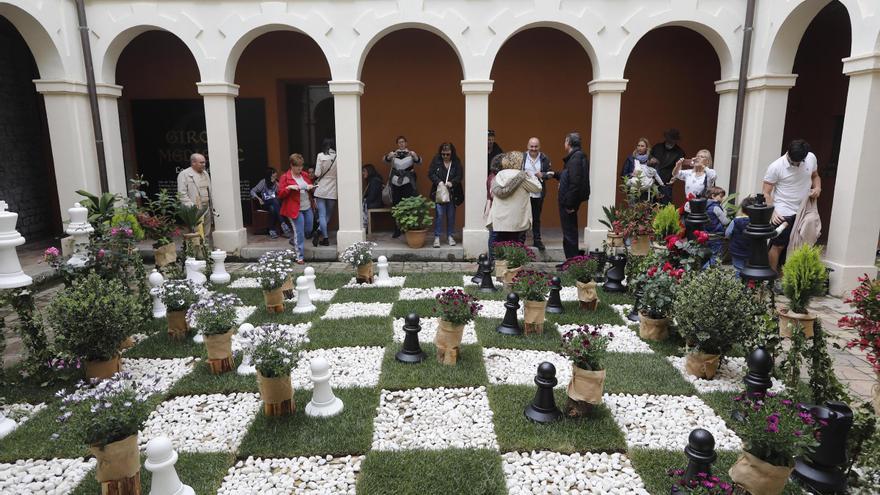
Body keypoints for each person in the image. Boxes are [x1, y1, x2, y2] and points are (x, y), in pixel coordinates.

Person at [762, 139, 821, 274]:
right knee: (778, 245)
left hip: (804, 209)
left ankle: (788, 278)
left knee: (800, 245)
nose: (795, 164)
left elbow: (815, 176)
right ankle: (772, 277)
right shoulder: (776, 166)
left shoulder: (811, 158)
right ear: (788, 152)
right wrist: (772, 212)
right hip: (783, 211)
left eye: (799, 162)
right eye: (793, 161)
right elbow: (766, 192)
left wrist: (817, 188)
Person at [487, 151, 541, 241]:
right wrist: (531, 176)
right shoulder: (523, 177)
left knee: (497, 247)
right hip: (516, 220)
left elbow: (493, 192)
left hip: (499, 219)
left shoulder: (499, 175)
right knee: (513, 248)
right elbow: (537, 188)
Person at [278, 153, 315, 264]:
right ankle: (300, 257)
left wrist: (310, 187)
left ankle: (293, 240)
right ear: (291, 165)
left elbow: (310, 188)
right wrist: (289, 188)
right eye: (297, 166)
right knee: (299, 232)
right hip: (294, 209)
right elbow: (280, 194)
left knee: (308, 229)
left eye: (301, 166)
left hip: (307, 206)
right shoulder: (285, 177)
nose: (300, 168)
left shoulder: (304, 175)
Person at [558, 132, 590, 260]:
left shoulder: (575, 158)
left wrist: (570, 204)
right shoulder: (575, 157)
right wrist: (554, 174)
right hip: (569, 201)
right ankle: (570, 261)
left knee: (569, 233)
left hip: (568, 203)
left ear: (568, 143)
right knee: (569, 232)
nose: (564, 143)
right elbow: (568, 175)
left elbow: (575, 182)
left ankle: (572, 262)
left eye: (565, 141)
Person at [384, 136, 421, 238]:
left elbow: (419, 162)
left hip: (408, 182)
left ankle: (407, 227)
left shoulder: (410, 153)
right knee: (396, 206)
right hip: (396, 182)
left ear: (406, 143)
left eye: (403, 142)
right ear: (397, 144)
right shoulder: (394, 153)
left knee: (408, 205)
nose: (401, 144)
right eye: (399, 142)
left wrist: (415, 156)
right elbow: (385, 160)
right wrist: (389, 156)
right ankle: (397, 229)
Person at [522, 137, 555, 251]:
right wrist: (523, 174)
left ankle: (537, 240)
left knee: (536, 217)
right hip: (525, 193)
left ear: (539, 147)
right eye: (531, 146)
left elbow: (551, 173)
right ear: (528, 146)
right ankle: (521, 241)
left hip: (538, 193)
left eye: (536, 146)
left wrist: (543, 175)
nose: (533, 149)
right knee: (523, 217)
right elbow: (516, 172)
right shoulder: (522, 157)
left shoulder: (544, 158)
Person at [429, 142, 464, 248]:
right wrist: (438, 182)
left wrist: (452, 182)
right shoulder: (436, 160)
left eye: (447, 154)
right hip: (440, 192)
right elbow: (430, 173)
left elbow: (459, 175)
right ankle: (437, 237)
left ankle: (450, 236)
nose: (445, 156)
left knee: (451, 215)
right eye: (443, 154)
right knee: (439, 215)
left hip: (452, 193)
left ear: (452, 153)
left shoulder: (456, 162)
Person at [177, 153, 213, 236]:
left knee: (206, 232)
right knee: (196, 232)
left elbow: (208, 190)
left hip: (206, 207)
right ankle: (197, 248)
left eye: (204, 162)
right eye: (201, 162)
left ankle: (205, 248)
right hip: (195, 209)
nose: (204, 164)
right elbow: (181, 194)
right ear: (193, 162)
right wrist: (191, 207)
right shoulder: (184, 174)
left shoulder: (205, 173)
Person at [250, 167, 290, 239]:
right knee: (274, 201)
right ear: (270, 174)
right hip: (265, 203)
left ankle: (272, 230)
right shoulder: (263, 182)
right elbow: (252, 191)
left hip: (274, 204)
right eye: (274, 173)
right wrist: (258, 198)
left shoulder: (276, 182)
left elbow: (281, 193)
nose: (276, 174)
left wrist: (277, 184)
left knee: (272, 208)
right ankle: (283, 224)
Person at [649, 129, 686, 204]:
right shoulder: (657, 147)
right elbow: (648, 157)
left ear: (676, 140)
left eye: (672, 139)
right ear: (666, 138)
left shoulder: (679, 152)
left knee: (665, 204)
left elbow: (679, 168)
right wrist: (651, 159)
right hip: (652, 180)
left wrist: (674, 178)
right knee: (650, 203)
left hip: (666, 182)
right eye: (669, 138)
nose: (670, 141)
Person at [312, 138, 337, 247]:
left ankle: (325, 238)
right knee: (328, 215)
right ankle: (318, 231)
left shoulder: (320, 156)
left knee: (322, 215)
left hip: (321, 188)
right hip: (333, 188)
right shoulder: (338, 156)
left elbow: (317, 173)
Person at [726, 195, 756, 277]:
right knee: (749, 270)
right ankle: (747, 287)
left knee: (738, 269)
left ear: (742, 209)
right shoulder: (757, 223)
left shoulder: (735, 221)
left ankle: (738, 287)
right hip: (751, 252)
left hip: (736, 251)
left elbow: (727, 233)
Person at [704, 186, 731, 265]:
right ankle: (704, 271)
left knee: (709, 255)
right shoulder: (715, 207)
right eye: (721, 196)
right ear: (713, 196)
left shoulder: (705, 206)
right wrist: (726, 215)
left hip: (706, 234)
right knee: (716, 257)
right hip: (716, 235)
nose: (722, 199)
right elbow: (725, 222)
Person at [485, 154, 503, 260]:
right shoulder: (494, 178)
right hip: (496, 209)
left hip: (495, 209)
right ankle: (492, 260)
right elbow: (492, 195)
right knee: (494, 235)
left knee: (494, 235)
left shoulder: (493, 176)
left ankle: (493, 259)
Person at [362, 164, 384, 228]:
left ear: (369, 171)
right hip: (374, 202)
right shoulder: (371, 180)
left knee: (359, 207)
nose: (363, 173)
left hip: (376, 203)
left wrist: (364, 202)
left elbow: (372, 196)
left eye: (364, 171)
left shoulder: (375, 181)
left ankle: (364, 227)